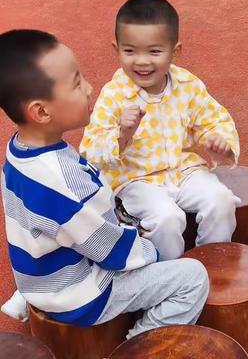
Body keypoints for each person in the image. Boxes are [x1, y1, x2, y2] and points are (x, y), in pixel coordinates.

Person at [0, 29, 208, 336]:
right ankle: (139, 347)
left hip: (42, 277)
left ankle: (26, 297)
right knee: (193, 277)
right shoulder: (66, 183)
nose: (89, 88)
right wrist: (154, 252)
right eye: (77, 83)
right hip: (83, 295)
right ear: (42, 111)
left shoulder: (18, 152)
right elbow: (114, 253)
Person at [80, 0, 240, 260]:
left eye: (154, 51)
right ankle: (169, 275)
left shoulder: (187, 84)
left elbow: (213, 118)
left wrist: (218, 139)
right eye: (130, 51)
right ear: (116, 48)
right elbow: (90, 150)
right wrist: (122, 135)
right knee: (167, 218)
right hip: (136, 179)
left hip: (184, 170)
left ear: (175, 51)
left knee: (220, 200)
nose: (142, 61)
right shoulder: (114, 95)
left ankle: (213, 263)